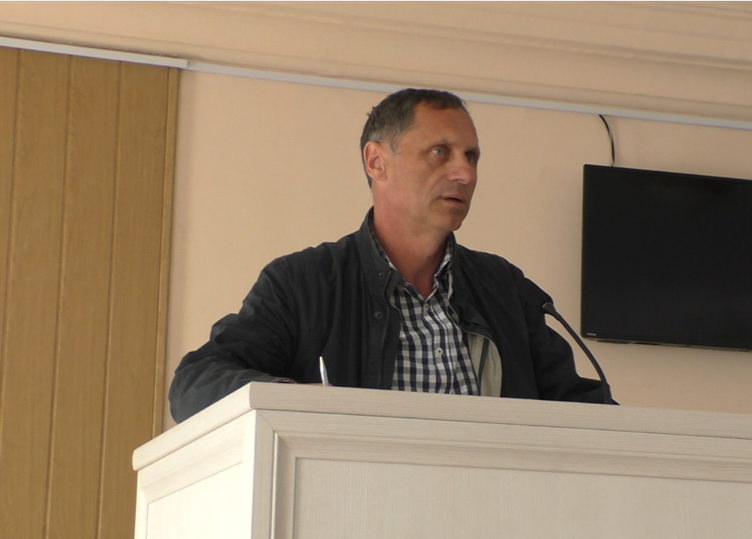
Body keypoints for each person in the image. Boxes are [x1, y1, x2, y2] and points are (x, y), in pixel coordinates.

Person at [169, 88, 611, 423]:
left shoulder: (506, 288)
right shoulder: (303, 283)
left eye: (471, 156)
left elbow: (585, 411)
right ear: (376, 162)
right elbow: (195, 381)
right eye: (439, 152)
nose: (464, 172)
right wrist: (297, 403)